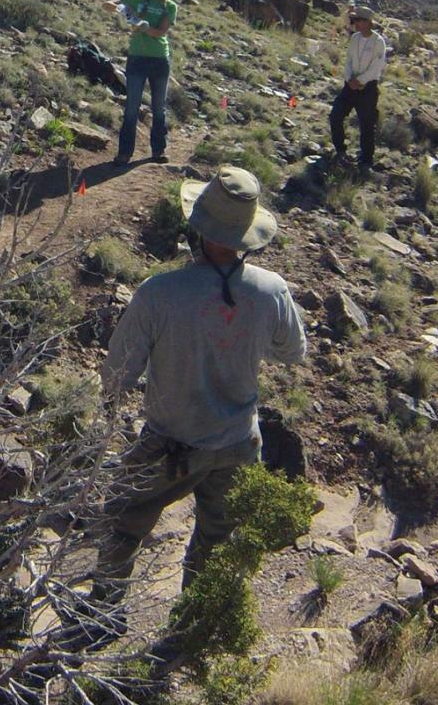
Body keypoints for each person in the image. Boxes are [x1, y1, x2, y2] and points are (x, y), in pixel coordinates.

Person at [94, 167, 306, 607]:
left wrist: (108, 414)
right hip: (237, 441)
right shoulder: (271, 290)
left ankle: (100, 616)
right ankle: (194, 623)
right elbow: (292, 351)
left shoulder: (160, 293)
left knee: (122, 520)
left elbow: (118, 371)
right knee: (216, 538)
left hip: (169, 443)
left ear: (198, 227)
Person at [112, 0, 177, 167]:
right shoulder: (137, 0)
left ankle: (158, 150)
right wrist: (125, 13)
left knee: (158, 107)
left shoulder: (170, 6)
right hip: (137, 59)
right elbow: (108, 4)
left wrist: (143, 27)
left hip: (159, 60)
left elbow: (161, 32)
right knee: (131, 106)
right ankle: (124, 153)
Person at [328, 4, 388, 175]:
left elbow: (377, 67)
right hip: (350, 86)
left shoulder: (378, 42)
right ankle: (340, 150)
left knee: (367, 125)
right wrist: (349, 79)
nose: (356, 24)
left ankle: (366, 160)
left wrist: (361, 81)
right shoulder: (354, 39)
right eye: (354, 20)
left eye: (359, 20)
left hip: (367, 88)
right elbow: (348, 61)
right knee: (335, 116)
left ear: (368, 22)